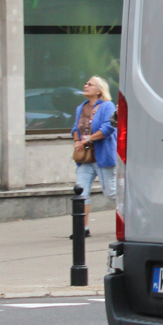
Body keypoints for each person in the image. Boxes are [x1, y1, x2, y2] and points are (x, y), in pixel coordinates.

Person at [71, 76, 117, 235]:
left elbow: (109, 128)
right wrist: (78, 141)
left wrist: (87, 140)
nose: (85, 86)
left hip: (102, 157)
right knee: (80, 193)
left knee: (111, 193)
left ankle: (136, 214)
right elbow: (75, 128)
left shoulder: (107, 106)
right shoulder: (81, 108)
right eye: (85, 83)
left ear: (99, 90)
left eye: (89, 84)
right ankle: (81, 230)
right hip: (85, 159)